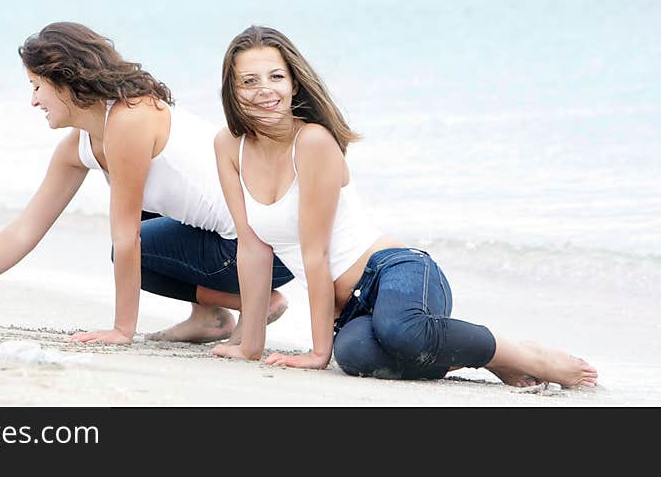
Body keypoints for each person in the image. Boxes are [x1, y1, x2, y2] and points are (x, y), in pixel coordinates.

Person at [210, 25, 598, 387]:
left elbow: (317, 252)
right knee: (357, 355)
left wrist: (317, 352)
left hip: (397, 271)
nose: (265, 90)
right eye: (249, 81)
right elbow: (252, 247)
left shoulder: (312, 142)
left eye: (276, 77)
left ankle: (527, 356)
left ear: (294, 84)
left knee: (399, 331)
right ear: (233, 89)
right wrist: (250, 345)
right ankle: (480, 356)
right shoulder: (229, 146)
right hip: (351, 311)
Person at [0, 22, 293, 344]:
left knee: (137, 245)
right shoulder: (81, 143)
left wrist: (122, 331)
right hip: (235, 244)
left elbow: (126, 241)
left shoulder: (130, 120)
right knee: (140, 238)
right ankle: (212, 317)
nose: (33, 100)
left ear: (66, 82)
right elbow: (24, 230)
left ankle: (257, 301)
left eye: (36, 85)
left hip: (263, 249)